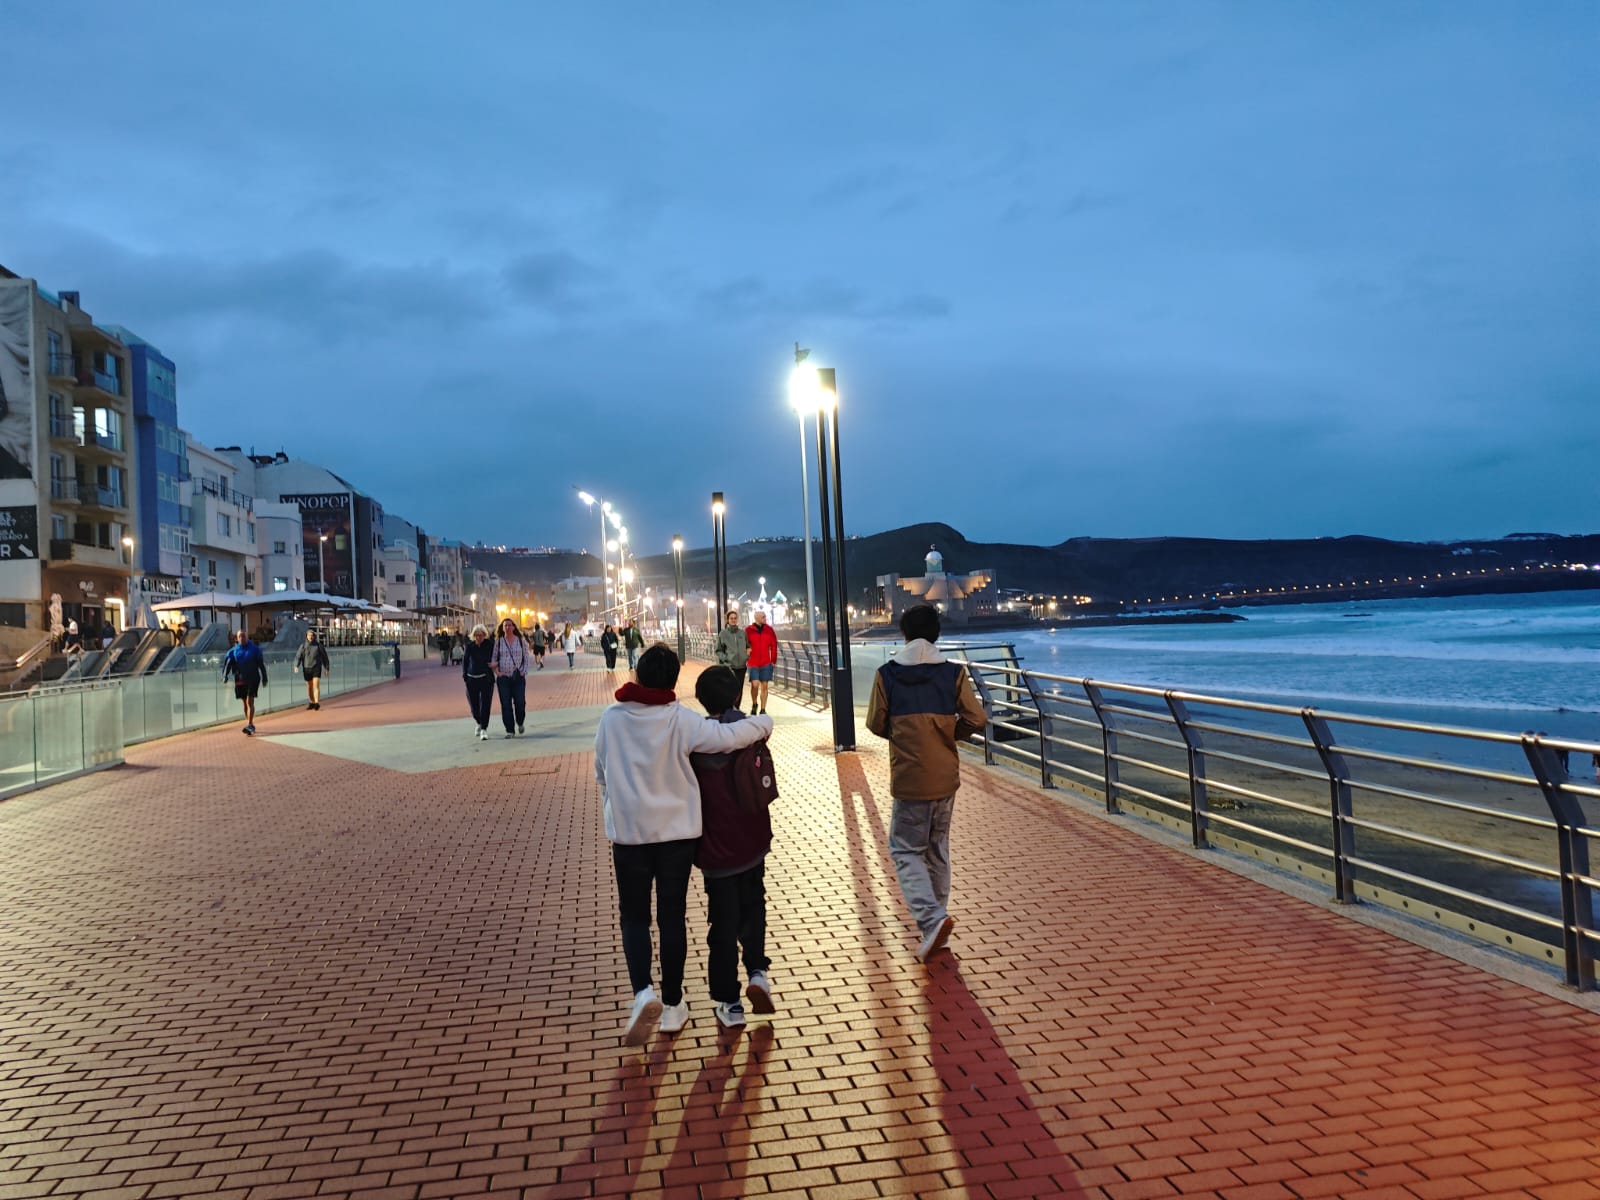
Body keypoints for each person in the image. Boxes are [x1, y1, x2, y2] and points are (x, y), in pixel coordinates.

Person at [595, 644, 775, 1045]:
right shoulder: (679, 719)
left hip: (629, 835)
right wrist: (764, 723)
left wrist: (616, 805)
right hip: (677, 835)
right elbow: (728, 737)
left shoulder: (611, 719)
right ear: (674, 680)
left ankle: (643, 992)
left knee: (634, 917)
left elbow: (601, 772)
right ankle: (674, 1005)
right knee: (672, 917)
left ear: (638, 675)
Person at [865, 603, 987, 962]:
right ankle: (936, 928)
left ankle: (932, 920)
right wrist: (950, 735)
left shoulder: (887, 674)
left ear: (903, 633)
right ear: (936, 634)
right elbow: (977, 718)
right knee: (937, 850)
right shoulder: (953, 673)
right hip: (945, 776)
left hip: (909, 776)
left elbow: (875, 723)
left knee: (905, 850)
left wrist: (904, 736)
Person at [690, 665, 777, 1029]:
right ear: (737, 696)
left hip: (717, 849)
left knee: (722, 923)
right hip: (753, 841)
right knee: (753, 905)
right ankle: (758, 971)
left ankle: (730, 1001)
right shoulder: (751, 732)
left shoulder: (694, 745)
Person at [221, 629, 269, 736]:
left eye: (244, 636)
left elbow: (261, 664)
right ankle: (249, 724)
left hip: (253, 678)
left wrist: (265, 677)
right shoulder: (233, 651)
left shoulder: (255, 650)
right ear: (237, 638)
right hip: (240, 679)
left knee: (249, 701)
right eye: (240, 636)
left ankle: (250, 723)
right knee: (244, 703)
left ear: (247, 637)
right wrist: (225, 676)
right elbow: (228, 664)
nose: (242, 638)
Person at [492, 617, 532, 737]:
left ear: (514, 627)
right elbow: (494, 658)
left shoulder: (521, 641)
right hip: (503, 678)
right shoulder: (498, 642)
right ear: (502, 628)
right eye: (505, 626)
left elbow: (526, 657)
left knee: (520, 703)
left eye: (510, 625)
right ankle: (510, 730)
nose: (508, 627)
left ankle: (520, 722)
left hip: (518, 677)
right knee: (506, 704)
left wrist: (523, 671)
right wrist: (497, 672)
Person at [461, 623, 494, 741]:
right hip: (471, 679)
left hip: (486, 679)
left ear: (484, 635)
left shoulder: (489, 645)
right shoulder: (469, 646)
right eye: (476, 635)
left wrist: (494, 665)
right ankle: (479, 722)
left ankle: (484, 729)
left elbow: (495, 657)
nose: (479, 637)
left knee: (485, 705)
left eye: (481, 635)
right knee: (474, 706)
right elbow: (465, 661)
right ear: (473, 636)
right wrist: (465, 675)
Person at [744, 610, 778, 716]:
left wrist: (773, 660)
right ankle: (754, 704)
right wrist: (746, 655)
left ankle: (763, 709)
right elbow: (744, 644)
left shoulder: (769, 630)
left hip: (766, 662)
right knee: (755, 685)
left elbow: (774, 645)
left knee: (765, 685)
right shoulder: (748, 630)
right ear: (756, 618)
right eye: (763, 617)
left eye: (765, 616)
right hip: (753, 662)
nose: (765, 618)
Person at [714, 610, 749, 711]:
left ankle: (736, 709)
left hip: (741, 667)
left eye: (735, 618)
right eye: (731, 618)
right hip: (730, 667)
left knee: (739, 689)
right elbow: (718, 650)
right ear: (727, 620)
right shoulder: (723, 634)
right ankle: (729, 709)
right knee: (730, 689)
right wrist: (726, 659)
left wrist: (746, 656)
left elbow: (748, 647)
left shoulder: (742, 633)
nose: (733, 620)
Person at [294, 630, 330, 710]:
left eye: (312, 635)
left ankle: (317, 703)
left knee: (316, 685)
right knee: (309, 687)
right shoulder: (303, 646)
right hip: (306, 669)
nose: (311, 636)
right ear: (306, 636)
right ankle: (312, 702)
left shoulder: (318, 646)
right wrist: (296, 666)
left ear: (314, 636)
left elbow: (325, 657)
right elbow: (298, 656)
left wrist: (327, 668)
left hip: (316, 668)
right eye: (309, 635)